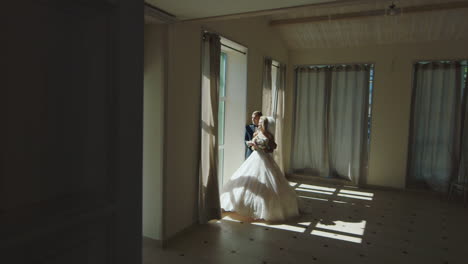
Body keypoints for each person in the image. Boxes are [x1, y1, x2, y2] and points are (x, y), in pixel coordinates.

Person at [220, 116, 299, 222]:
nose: (259, 123)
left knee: (268, 181)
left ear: (266, 124)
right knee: (249, 180)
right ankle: (245, 206)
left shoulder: (268, 135)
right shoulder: (256, 133)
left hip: (264, 158)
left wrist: (263, 146)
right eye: (260, 121)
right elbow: (253, 148)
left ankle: (266, 209)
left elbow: (271, 148)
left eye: (262, 122)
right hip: (254, 158)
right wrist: (253, 145)